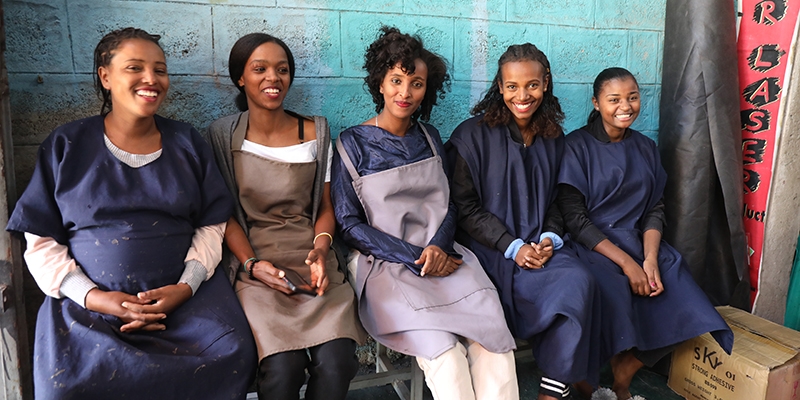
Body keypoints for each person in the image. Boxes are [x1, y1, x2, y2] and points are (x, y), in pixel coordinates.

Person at [5, 27, 256, 399]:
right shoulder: (67, 145)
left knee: (232, 352)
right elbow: (41, 240)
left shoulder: (187, 143)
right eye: (134, 68)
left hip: (187, 305)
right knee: (67, 384)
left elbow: (211, 224)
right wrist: (93, 297)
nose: (151, 80)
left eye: (160, 69)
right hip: (90, 311)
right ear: (105, 77)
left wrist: (186, 286)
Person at [332, 26, 518, 400]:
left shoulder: (431, 137)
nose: (405, 92)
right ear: (380, 84)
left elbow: (450, 206)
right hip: (386, 265)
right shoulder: (351, 145)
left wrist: (437, 247)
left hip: (446, 258)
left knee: (494, 343)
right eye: (396, 80)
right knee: (445, 355)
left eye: (416, 83)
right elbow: (348, 224)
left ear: (426, 89)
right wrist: (415, 256)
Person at [204, 33, 365, 400]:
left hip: (313, 260)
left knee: (338, 361)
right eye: (259, 69)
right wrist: (251, 265)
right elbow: (222, 214)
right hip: (256, 266)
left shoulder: (316, 132)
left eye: (282, 69)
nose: (272, 78)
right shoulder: (221, 135)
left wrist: (322, 252)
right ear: (240, 78)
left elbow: (326, 207)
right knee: (281, 366)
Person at [557, 67, 734, 400]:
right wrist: (627, 264)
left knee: (681, 290)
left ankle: (625, 370)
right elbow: (575, 220)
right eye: (614, 99)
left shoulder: (645, 147)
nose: (626, 106)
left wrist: (650, 258)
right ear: (596, 103)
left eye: (633, 97)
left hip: (639, 241)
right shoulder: (576, 146)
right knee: (607, 289)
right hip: (593, 245)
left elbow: (654, 209)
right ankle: (587, 379)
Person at [446, 43, 601, 400]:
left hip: (539, 247)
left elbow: (557, 201)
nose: (522, 95)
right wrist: (512, 247)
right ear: (499, 87)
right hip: (491, 249)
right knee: (524, 292)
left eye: (532, 85)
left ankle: (551, 390)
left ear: (545, 83)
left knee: (579, 282)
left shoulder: (552, 137)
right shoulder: (471, 136)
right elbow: (464, 207)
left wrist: (549, 237)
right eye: (512, 86)